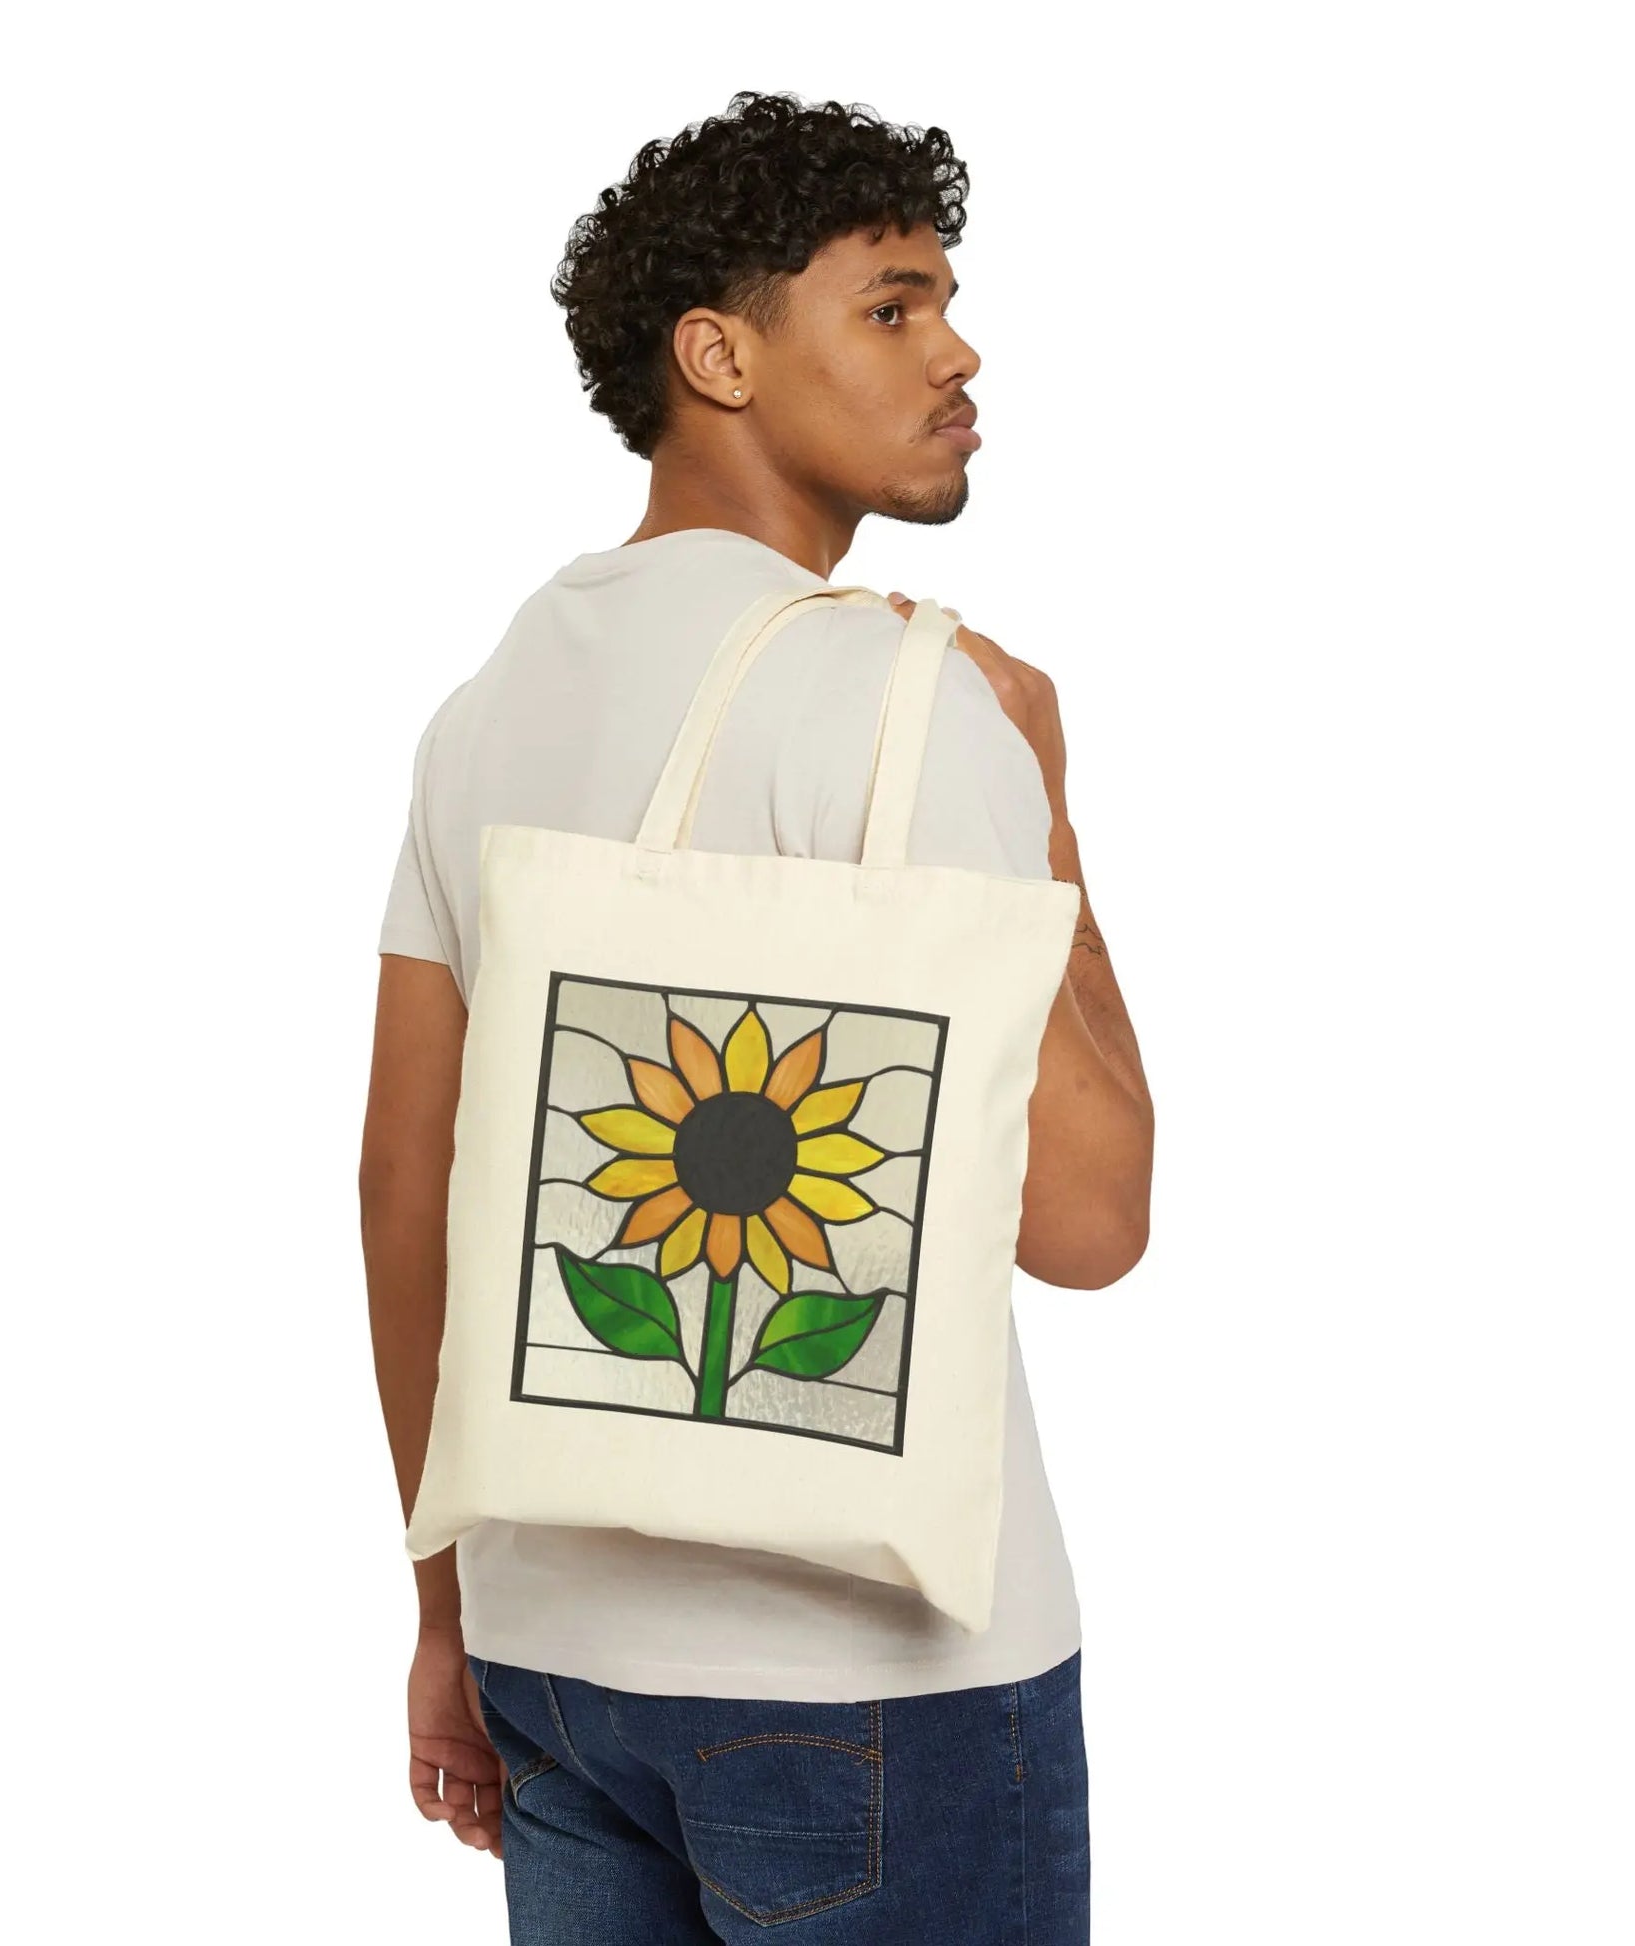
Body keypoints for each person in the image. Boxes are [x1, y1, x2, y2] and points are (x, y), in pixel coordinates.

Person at [359, 89, 1154, 1943]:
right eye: (890, 305)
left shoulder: (480, 711)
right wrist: (1042, 804)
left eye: (946, 297)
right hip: (878, 1678)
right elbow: (1094, 1225)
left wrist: (442, 1611)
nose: (956, 351)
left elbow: (410, 1182)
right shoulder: (903, 700)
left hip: (549, 1659)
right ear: (714, 353)